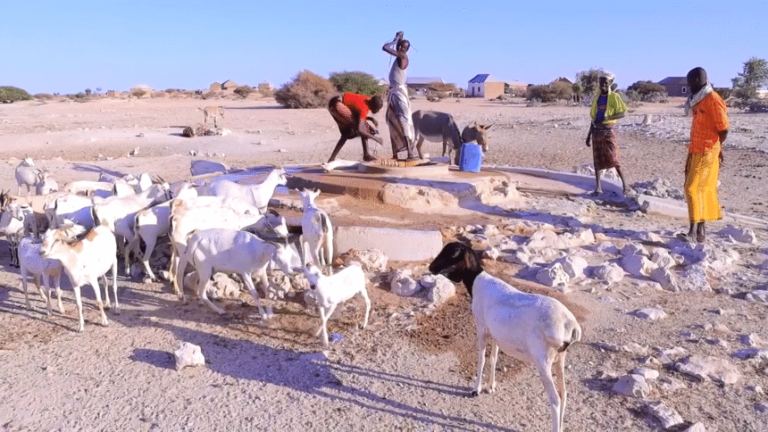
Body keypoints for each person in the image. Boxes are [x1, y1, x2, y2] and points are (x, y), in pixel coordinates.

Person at [678, 67, 729, 243]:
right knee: (699, 188)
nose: (689, 85)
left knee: (692, 188)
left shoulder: (713, 100)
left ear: (700, 81)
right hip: (695, 148)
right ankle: (700, 231)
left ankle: (693, 231)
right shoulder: (697, 100)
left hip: (707, 150)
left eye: (691, 82)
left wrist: (717, 150)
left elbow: (724, 129)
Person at [585, 71, 630, 195]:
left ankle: (625, 186)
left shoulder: (615, 97)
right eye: (601, 83)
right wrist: (588, 136)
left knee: (614, 157)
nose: (603, 85)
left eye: (605, 83)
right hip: (596, 130)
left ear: (610, 83)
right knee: (597, 159)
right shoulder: (597, 98)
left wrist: (608, 117)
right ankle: (598, 188)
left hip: (608, 130)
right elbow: (593, 118)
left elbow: (623, 112)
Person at [382, 31, 418, 161]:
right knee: (392, 120)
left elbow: (385, 47)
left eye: (403, 47)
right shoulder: (400, 56)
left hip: (399, 93)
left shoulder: (402, 56)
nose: (401, 48)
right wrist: (398, 40)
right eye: (401, 46)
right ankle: (397, 152)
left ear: (406, 50)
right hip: (395, 92)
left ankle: (410, 153)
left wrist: (396, 40)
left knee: (403, 120)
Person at [326, 92, 384, 163]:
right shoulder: (364, 108)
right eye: (377, 109)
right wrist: (376, 139)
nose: (377, 111)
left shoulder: (367, 99)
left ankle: (332, 158)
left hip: (333, 102)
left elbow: (356, 112)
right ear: (373, 106)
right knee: (364, 128)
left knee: (346, 134)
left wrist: (371, 119)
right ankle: (366, 155)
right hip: (338, 105)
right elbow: (360, 130)